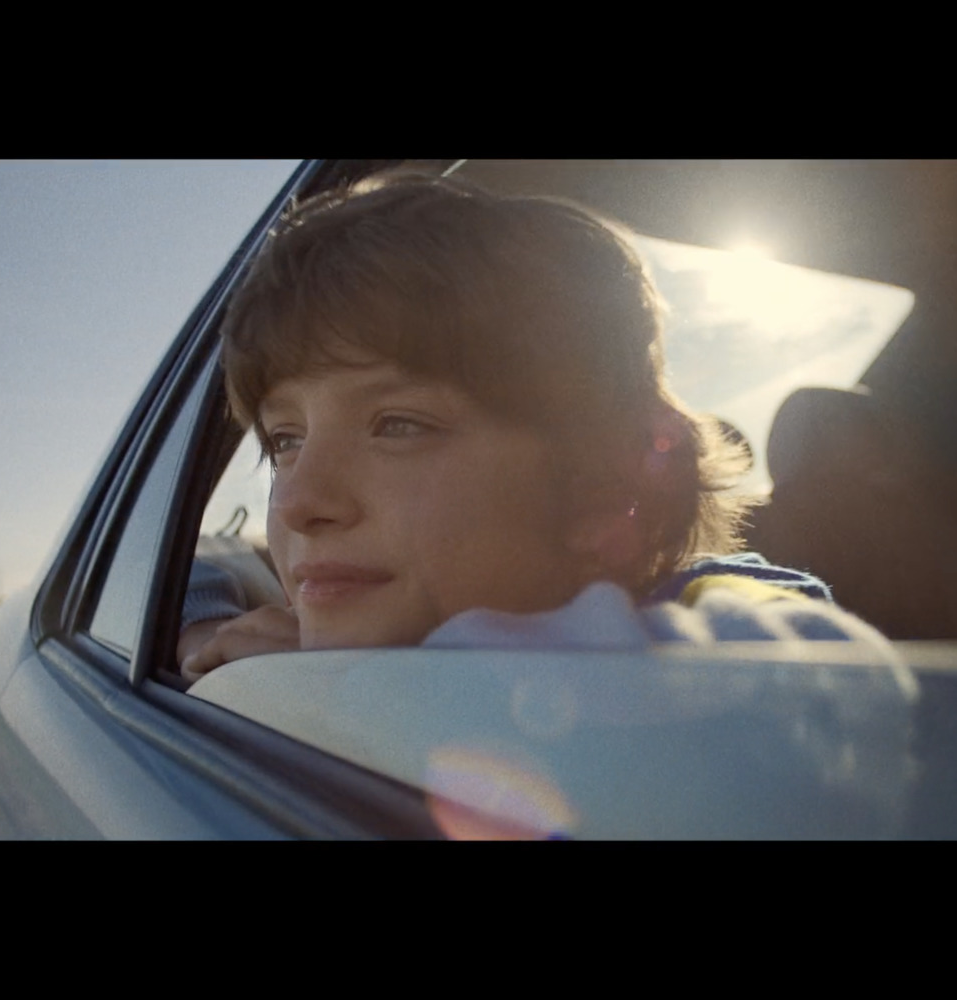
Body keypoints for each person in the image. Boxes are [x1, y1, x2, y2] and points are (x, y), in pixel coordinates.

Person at [178, 175, 900, 681]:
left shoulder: (741, 628)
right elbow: (198, 567)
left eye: (397, 425)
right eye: (284, 442)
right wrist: (206, 636)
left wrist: (338, 690)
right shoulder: (367, 595)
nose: (302, 501)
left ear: (600, 491)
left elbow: (801, 723)